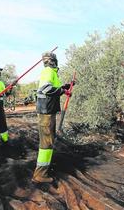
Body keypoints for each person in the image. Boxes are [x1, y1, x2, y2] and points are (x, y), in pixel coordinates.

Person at [32, 52, 72, 183]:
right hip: (46, 113)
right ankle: (40, 174)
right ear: (52, 61)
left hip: (48, 112)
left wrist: (64, 87)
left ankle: (44, 169)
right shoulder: (48, 71)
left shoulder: (52, 73)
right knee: (46, 143)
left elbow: (53, 90)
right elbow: (46, 89)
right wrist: (63, 91)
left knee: (48, 142)